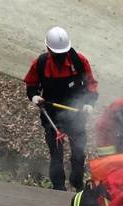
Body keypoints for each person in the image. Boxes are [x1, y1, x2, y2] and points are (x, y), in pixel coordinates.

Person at [24, 26, 99, 191]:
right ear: (48, 49)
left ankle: (77, 183)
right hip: (51, 115)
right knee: (56, 155)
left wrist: (89, 103)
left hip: (76, 115)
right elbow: (31, 85)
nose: (59, 56)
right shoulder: (41, 63)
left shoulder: (79, 62)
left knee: (79, 153)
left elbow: (91, 85)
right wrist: (34, 96)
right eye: (56, 53)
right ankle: (58, 187)